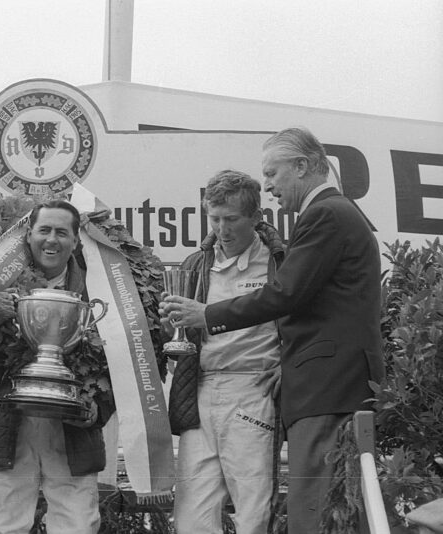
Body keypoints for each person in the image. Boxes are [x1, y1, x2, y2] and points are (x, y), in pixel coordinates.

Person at [161, 127, 385, 534]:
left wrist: (206, 316)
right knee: (315, 510)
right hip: (308, 386)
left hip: (320, 386)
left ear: (302, 166)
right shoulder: (335, 214)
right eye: (216, 219)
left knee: (311, 513)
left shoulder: (326, 214)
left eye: (273, 173)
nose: (269, 185)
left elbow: (284, 294)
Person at [0, 199, 114, 534]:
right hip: (8, 420)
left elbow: (118, 364)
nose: (52, 239)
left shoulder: (102, 289)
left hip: (72, 425)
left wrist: (99, 409)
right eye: (44, 230)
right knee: (2, 525)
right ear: (29, 235)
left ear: (76, 241)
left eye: (62, 232)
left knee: (78, 525)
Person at [168, 170, 284, 534]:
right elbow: (180, 333)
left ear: (255, 217)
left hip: (253, 389)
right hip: (199, 389)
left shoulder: (280, 262)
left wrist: (291, 366)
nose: (222, 228)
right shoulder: (195, 264)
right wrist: (168, 325)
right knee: (190, 518)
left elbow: (306, 322)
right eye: (215, 219)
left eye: (232, 219)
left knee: (252, 512)